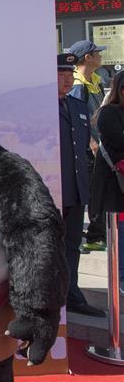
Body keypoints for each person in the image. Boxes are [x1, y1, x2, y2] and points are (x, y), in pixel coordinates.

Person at [59, 54, 105, 317]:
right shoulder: (45, 108)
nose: (67, 81)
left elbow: (83, 147)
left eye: (69, 76)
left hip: (76, 189)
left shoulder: (77, 105)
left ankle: (72, 295)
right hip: (54, 189)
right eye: (61, 76)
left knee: (72, 245)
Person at [69, 40, 108, 252]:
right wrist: (91, 142)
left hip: (100, 148)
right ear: (87, 57)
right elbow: (77, 119)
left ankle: (96, 234)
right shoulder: (77, 85)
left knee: (98, 191)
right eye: (97, 53)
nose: (100, 56)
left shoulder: (96, 80)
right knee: (91, 193)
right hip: (88, 151)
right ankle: (91, 236)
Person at [89, 69, 124, 304]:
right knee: (120, 235)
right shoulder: (108, 113)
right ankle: (121, 278)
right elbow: (118, 141)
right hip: (116, 187)